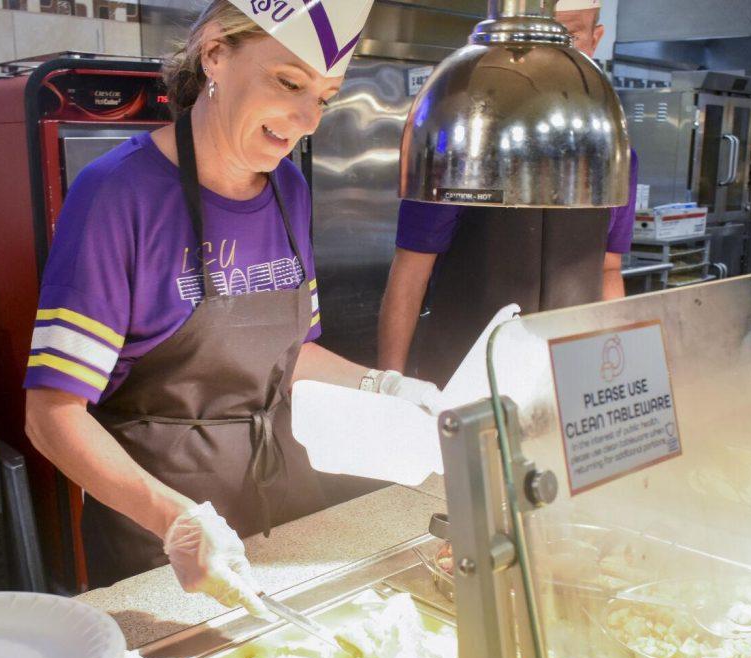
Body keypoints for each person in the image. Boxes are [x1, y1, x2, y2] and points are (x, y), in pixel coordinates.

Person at [22, 0, 441, 609]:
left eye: (323, 97)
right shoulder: (118, 195)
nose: (306, 121)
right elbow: (51, 416)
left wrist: (383, 385)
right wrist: (175, 520)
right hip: (166, 541)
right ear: (215, 53)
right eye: (288, 83)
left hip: (290, 513)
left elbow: (289, 356)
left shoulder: (287, 189)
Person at [377, 0, 638, 386]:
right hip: (461, 371)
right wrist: (389, 384)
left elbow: (608, 269)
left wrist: (615, 371)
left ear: (595, 39)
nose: (548, 48)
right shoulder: (462, 137)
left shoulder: (615, 153)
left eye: (568, 33)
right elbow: (411, 269)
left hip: (567, 375)